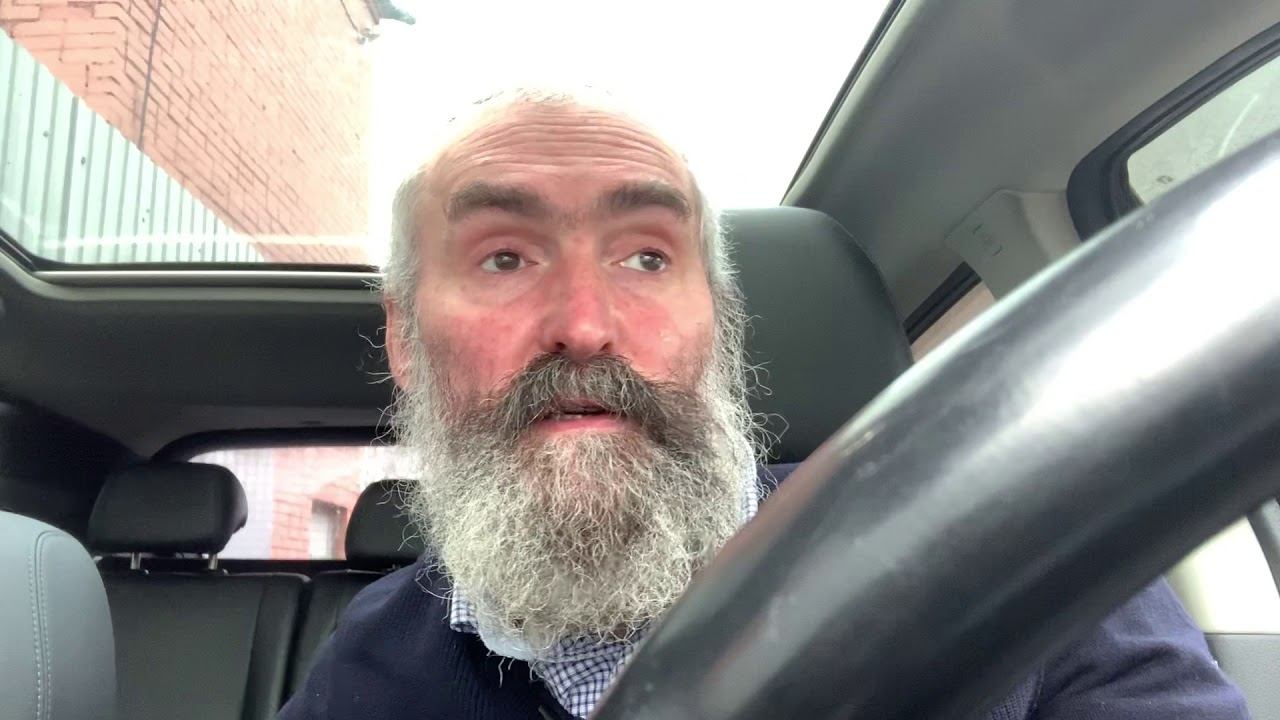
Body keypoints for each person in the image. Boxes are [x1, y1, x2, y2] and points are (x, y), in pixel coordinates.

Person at [280, 90, 1249, 720]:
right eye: (503, 258)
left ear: (720, 322)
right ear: (404, 340)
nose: (584, 325)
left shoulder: (1016, 541)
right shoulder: (361, 671)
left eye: (645, 256)